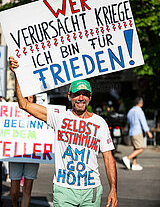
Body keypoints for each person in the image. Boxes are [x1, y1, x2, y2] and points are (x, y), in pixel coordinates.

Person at [9, 56, 118, 207]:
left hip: (91, 190)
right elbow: (24, 104)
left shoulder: (100, 123)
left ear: (90, 97)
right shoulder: (58, 116)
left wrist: (113, 189)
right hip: (64, 190)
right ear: (69, 97)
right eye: (77, 94)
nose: (81, 97)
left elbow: (108, 158)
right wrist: (18, 74)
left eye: (85, 94)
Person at [9, 94, 39, 207]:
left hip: (33, 154)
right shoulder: (12, 112)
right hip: (16, 153)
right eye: (25, 97)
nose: (28, 100)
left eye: (30, 98)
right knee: (14, 189)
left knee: (27, 188)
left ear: (34, 99)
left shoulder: (38, 112)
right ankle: (14, 204)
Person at [122, 97, 153, 171]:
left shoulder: (130, 111)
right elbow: (143, 122)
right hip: (137, 131)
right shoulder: (139, 111)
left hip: (131, 131)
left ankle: (134, 164)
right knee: (141, 148)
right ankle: (127, 158)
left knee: (136, 148)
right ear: (140, 103)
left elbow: (128, 121)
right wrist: (148, 131)